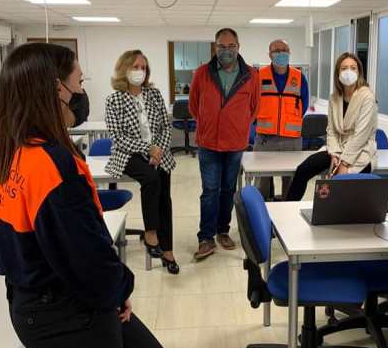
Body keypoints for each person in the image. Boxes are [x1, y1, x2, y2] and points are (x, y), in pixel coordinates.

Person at [0, 42, 168, 348]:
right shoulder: (52, 166)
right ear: (58, 89)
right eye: (80, 83)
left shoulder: (6, 153)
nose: (83, 93)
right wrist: (117, 291)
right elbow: (87, 257)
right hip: (67, 314)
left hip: (38, 300)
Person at [189, 27, 260, 260]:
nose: (227, 50)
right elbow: (194, 106)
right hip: (208, 143)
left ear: (238, 47)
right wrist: (210, 124)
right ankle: (206, 238)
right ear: (215, 47)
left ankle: (223, 231)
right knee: (210, 191)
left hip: (235, 144)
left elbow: (254, 108)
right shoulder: (201, 73)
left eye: (231, 46)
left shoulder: (251, 75)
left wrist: (236, 126)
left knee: (228, 189)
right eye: (222, 46)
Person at [106, 50, 178, 274]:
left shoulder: (154, 95)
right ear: (124, 69)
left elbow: (166, 126)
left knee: (164, 198)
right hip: (129, 154)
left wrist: (158, 150)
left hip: (158, 151)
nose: (140, 71)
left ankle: (168, 251)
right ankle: (150, 233)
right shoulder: (114, 99)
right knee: (151, 178)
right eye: (135, 67)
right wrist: (148, 149)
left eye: (143, 67)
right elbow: (118, 137)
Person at [285, 52, 377, 201]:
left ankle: (342, 218)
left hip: (360, 152)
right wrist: (334, 154)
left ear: (359, 72)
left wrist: (345, 163)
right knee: (303, 169)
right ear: (338, 73)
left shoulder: (367, 96)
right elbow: (331, 130)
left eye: (353, 68)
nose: (349, 72)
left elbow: (361, 135)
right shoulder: (334, 97)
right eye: (344, 68)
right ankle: (287, 210)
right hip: (337, 149)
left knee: (340, 186)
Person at [253, 39, 309, 200]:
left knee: (291, 181)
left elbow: (303, 104)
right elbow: (252, 102)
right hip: (265, 138)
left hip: (291, 139)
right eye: (276, 50)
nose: (281, 53)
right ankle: (262, 215)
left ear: (289, 52)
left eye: (284, 49)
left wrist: (288, 121)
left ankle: (287, 216)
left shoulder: (299, 77)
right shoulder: (259, 75)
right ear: (270, 54)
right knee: (262, 181)